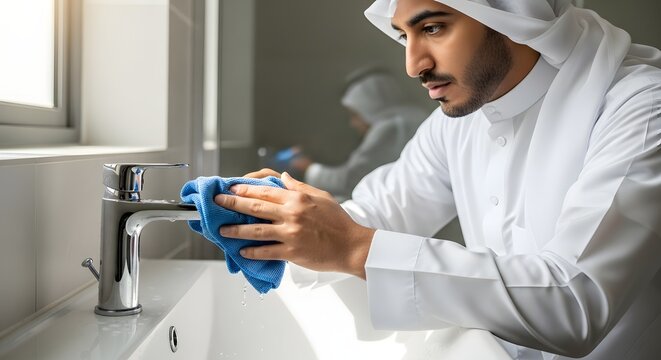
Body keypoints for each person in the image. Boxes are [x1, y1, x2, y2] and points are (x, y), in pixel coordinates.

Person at [212, 0, 661, 359]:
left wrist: (350, 246)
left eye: (432, 28)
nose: (412, 64)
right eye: (404, 35)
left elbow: (575, 303)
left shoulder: (641, 108)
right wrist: (278, 220)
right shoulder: (458, 120)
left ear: (508, 12)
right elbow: (386, 207)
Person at [281, 68, 429, 200]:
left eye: (355, 115)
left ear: (369, 107)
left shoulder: (393, 127)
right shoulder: (414, 116)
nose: (353, 123)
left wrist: (309, 169)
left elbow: (351, 180)